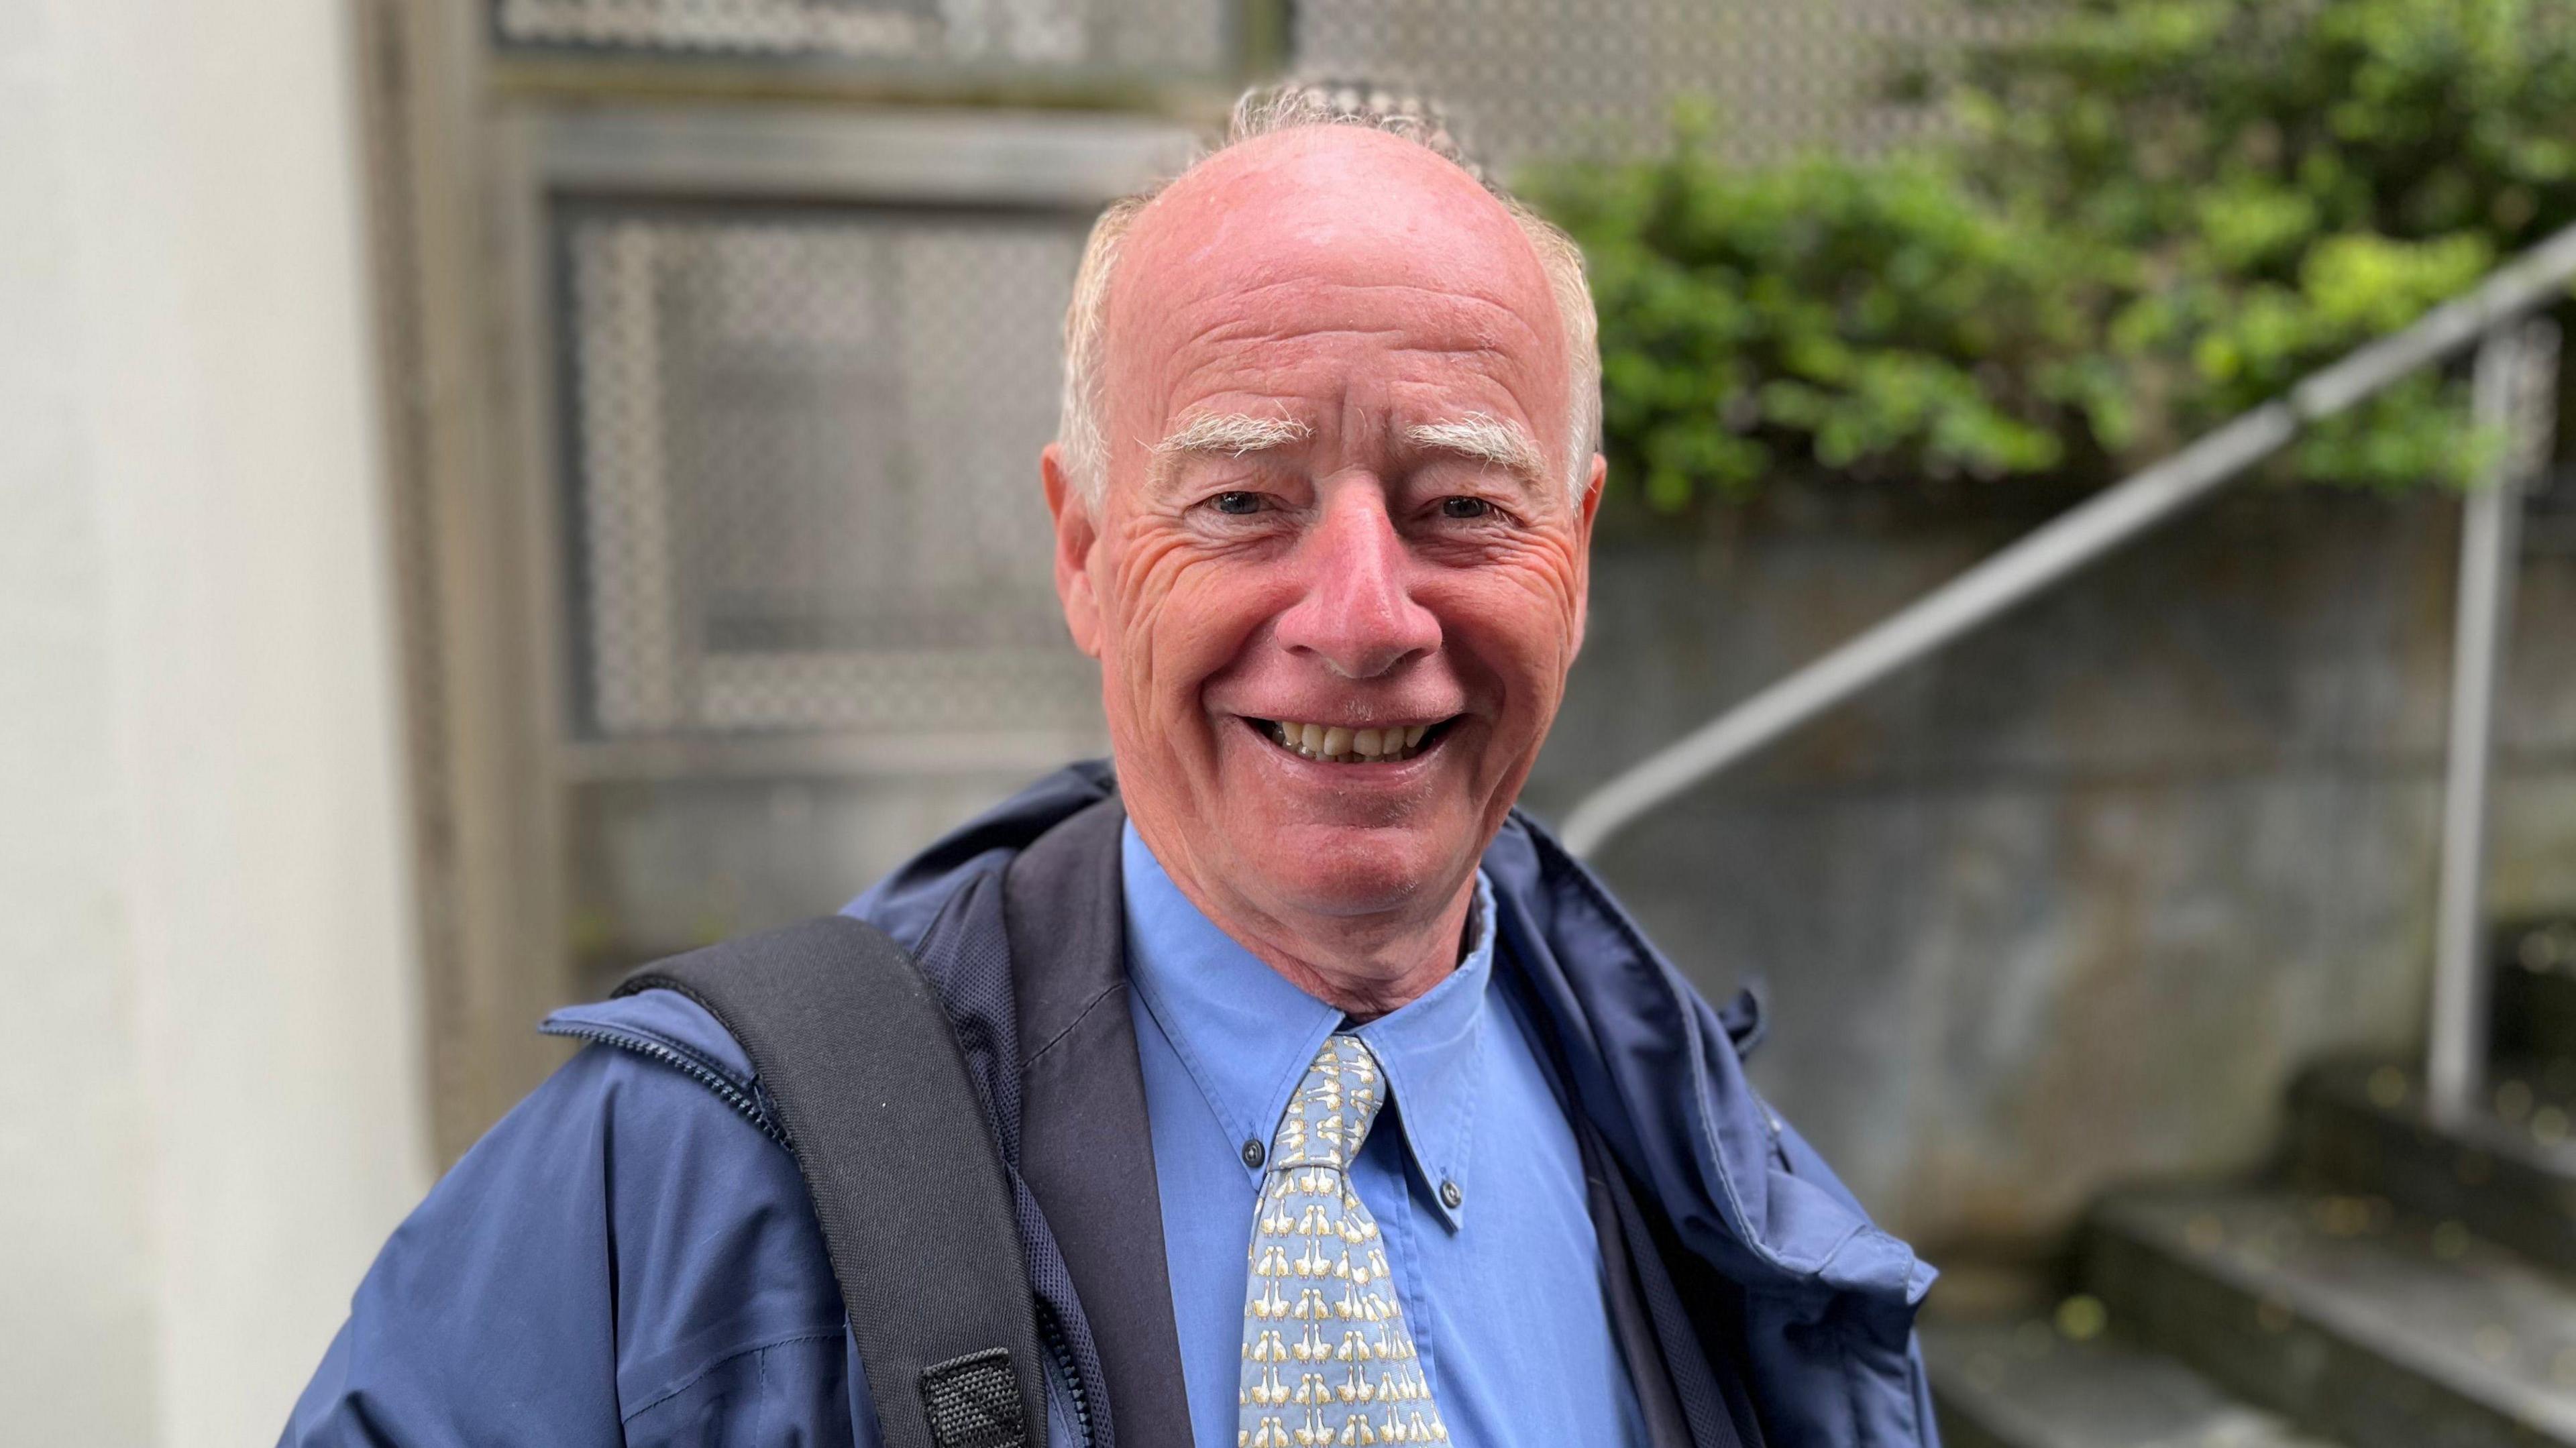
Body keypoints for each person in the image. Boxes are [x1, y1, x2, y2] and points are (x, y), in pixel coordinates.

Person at [282, 83, 1937, 1448]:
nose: (1362, 619)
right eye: (1240, 502)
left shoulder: (1719, 1190)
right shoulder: (682, 1180)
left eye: (1459, 508)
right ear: (1082, 547)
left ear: (1571, 552)